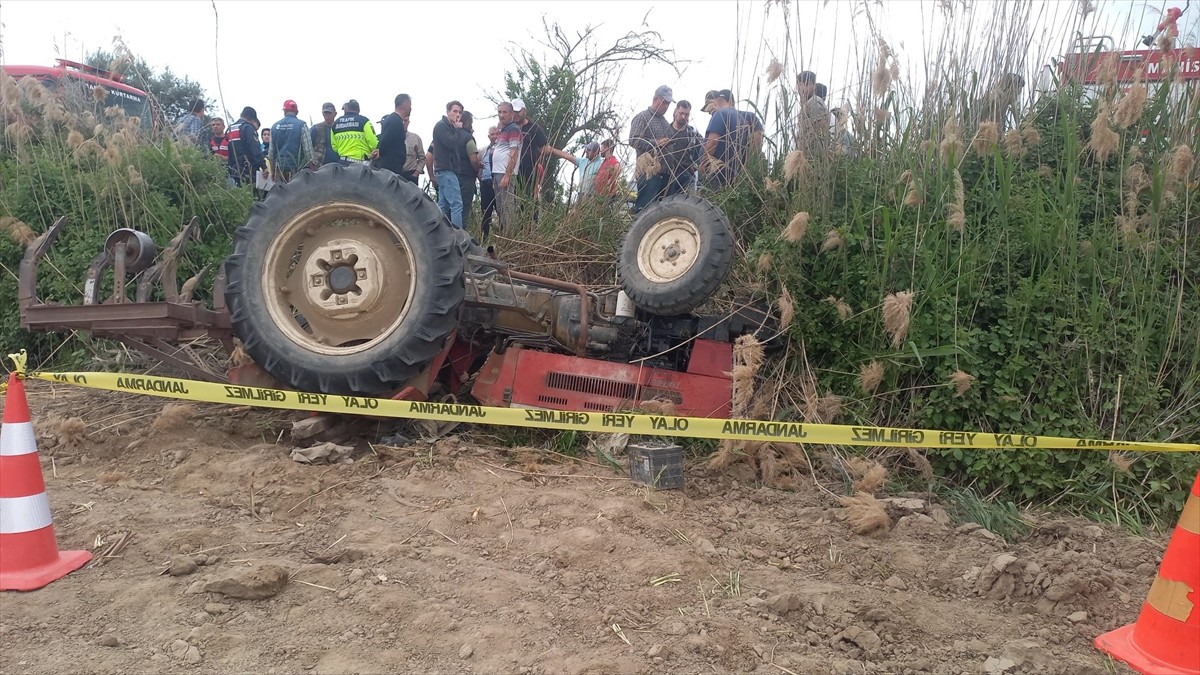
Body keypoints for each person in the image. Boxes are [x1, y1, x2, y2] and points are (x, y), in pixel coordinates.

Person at [702, 89, 763, 190]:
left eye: (710, 106)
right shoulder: (741, 119)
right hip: (735, 176)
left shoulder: (722, 114)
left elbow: (712, 142)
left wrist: (703, 162)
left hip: (718, 175)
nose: (709, 112)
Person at [628, 85, 674, 212]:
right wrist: (656, 143)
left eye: (668, 104)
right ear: (655, 99)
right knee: (644, 211)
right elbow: (633, 140)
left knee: (661, 215)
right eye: (664, 102)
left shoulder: (665, 123)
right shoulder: (642, 117)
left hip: (666, 174)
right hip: (648, 173)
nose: (666, 106)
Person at [431, 100, 468, 228]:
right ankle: (458, 238)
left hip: (445, 171)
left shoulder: (449, 127)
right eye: (455, 111)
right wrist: (458, 130)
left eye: (460, 112)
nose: (457, 115)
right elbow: (451, 143)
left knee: (443, 206)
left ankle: (439, 235)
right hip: (446, 170)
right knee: (456, 205)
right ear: (448, 112)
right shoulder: (442, 126)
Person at [659, 100, 704, 196]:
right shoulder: (666, 131)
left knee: (687, 205)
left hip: (687, 175)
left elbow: (703, 151)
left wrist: (696, 166)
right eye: (681, 113)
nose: (684, 117)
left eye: (687, 114)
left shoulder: (693, 133)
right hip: (668, 175)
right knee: (668, 205)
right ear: (675, 112)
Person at [491, 101, 522, 233]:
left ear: (511, 114)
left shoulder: (513, 129)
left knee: (507, 207)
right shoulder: (503, 130)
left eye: (504, 112)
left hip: (505, 173)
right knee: (500, 208)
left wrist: (507, 174)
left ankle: (510, 237)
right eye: (499, 112)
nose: (501, 115)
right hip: (497, 173)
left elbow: (513, 152)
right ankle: (504, 235)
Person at [268, 100, 313, 183]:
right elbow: (308, 151)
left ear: (284, 111)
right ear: (297, 112)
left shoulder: (274, 127)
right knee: (297, 194)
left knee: (282, 194)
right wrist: (313, 170)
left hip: (280, 169)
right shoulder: (302, 125)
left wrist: (273, 172)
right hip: (297, 169)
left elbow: (271, 153)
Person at [511, 98, 546, 199]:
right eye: (513, 112)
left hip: (528, 172)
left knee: (528, 201)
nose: (515, 114)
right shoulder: (510, 128)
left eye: (518, 111)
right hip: (511, 171)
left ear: (524, 111)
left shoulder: (534, 128)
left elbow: (544, 146)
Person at [226, 106, 265, 188]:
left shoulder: (229, 129)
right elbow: (255, 149)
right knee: (252, 194)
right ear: (252, 119)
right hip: (248, 169)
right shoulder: (248, 128)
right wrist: (263, 166)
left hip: (234, 169)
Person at [374, 93, 410, 177]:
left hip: (391, 167)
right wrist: (380, 153)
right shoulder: (395, 121)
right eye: (410, 105)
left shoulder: (394, 120)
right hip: (390, 168)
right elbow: (385, 142)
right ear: (405, 105)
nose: (411, 108)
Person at [331, 99, 378, 163]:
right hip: (361, 163)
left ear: (345, 109)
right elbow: (373, 143)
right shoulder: (364, 121)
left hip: (342, 163)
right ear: (358, 109)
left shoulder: (335, 124)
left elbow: (334, 147)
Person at [457, 111, 481, 220]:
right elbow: (474, 160)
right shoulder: (468, 138)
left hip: (450, 177)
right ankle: (460, 234)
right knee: (463, 209)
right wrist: (478, 169)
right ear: (467, 122)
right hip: (466, 178)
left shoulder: (449, 135)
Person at [479, 126, 499, 240]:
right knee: (485, 213)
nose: (495, 136)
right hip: (486, 184)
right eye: (492, 134)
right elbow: (477, 165)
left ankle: (503, 237)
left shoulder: (502, 150)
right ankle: (484, 239)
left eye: (497, 134)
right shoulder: (483, 151)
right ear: (488, 136)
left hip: (498, 184)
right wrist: (480, 179)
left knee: (501, 211)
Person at [401, 111, 425, 184]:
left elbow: (422, 158)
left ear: (408, 122)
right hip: (394, 175)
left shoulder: (415, 138)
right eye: (401, 120)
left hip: (410, 175)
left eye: (405, 120)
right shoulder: (390, 137)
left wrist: (416, 174)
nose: (403, 123)